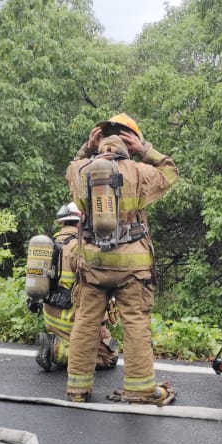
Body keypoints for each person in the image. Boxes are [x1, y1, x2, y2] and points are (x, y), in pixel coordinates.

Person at [63, 113, 179, 405]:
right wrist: (145, 149)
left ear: (99, 140)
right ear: (130, 142)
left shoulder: (81, 170)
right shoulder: (140, 171)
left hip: (93, 263)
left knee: (85, 323)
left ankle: (77, 389)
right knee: (135, 324)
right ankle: (140, 390)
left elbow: (71, 168)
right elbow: (170, 172)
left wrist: (86, 149)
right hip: (132, 267)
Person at [32, 202, 120, 372]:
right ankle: (54, 349)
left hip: (51, 318)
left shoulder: (49, 244)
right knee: (109, 358)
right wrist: (101, 323)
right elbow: (97, 290)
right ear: (81, 222)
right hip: (72, 320)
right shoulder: (81, 249)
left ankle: (59, 342)